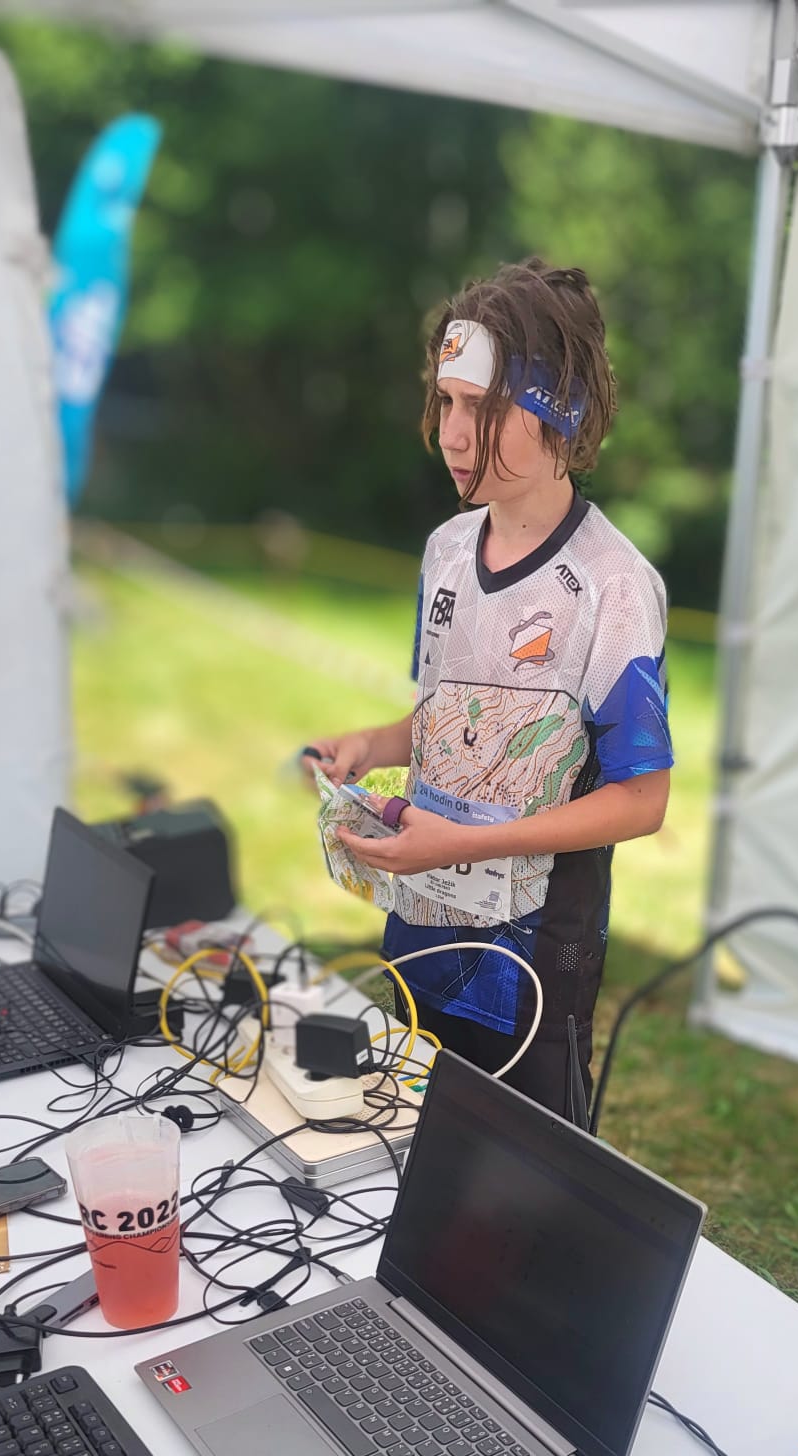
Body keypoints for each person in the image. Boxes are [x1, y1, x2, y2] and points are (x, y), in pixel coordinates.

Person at [306, 257, 673, 1117]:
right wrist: (371, 745)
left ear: (559, 411)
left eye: (484, 407)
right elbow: (449, 716)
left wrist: (462, 845)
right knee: (405, 1138)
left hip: (533, 961)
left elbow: (642, 801)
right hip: (420, 922)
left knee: (524, 1170)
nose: (452, 434)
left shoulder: (615, 586)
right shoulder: (445, 550)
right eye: (446, 402)